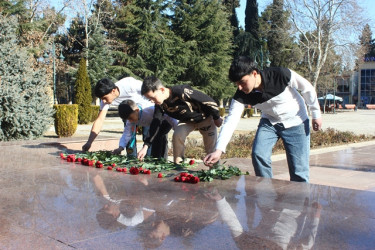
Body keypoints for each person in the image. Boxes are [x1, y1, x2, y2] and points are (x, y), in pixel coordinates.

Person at [204, 56, 322, 182]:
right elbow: (231, 120)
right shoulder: (241, 94)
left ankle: (301, 198)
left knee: (299, 169)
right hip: (269, 122)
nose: (239, 87)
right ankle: (266, 191)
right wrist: (218, 150)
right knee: (258, 154)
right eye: (237, 84)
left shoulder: (280, 74)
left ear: (254, 73)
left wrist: (316, 114)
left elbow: (307, 88)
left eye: (242, 82)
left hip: (296, 120)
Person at [138, 76, 223, 164]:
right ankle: (178, 165)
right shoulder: (160, 104)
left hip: (205, 118)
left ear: (162, 90)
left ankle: (215, 169)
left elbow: (209, 101)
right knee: (177, 135)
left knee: (210, 147)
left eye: (153, 98)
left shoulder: (181, 92)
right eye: (149, 99)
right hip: (187, 121)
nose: (151, 101)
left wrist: (216, 118)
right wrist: (146, 146)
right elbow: (156, 122)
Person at [82, 77, 151, 152]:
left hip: (147, 111)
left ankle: (150, 159)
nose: (104, 101)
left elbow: (150, 90)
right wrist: (89, 142)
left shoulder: (130, 85)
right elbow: (100, 120)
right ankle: (132, 160)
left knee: (148, 135)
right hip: (128, 113)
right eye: (102, 99)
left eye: (104, 98)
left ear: (113, 91)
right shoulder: (105, 101)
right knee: (128, 136)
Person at [113, 99, 178, 158]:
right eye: (128, 119)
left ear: (137, 110)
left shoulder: (149, 110)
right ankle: (155, 159)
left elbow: (169, 117)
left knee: (158, 139)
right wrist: (120, 147)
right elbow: (127, 133)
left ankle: (161, 160)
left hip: (165, 121)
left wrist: (178, 130)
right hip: (153, 124)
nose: (130, 121)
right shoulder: (131, 118)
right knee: (153, 140)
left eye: (130, 118)